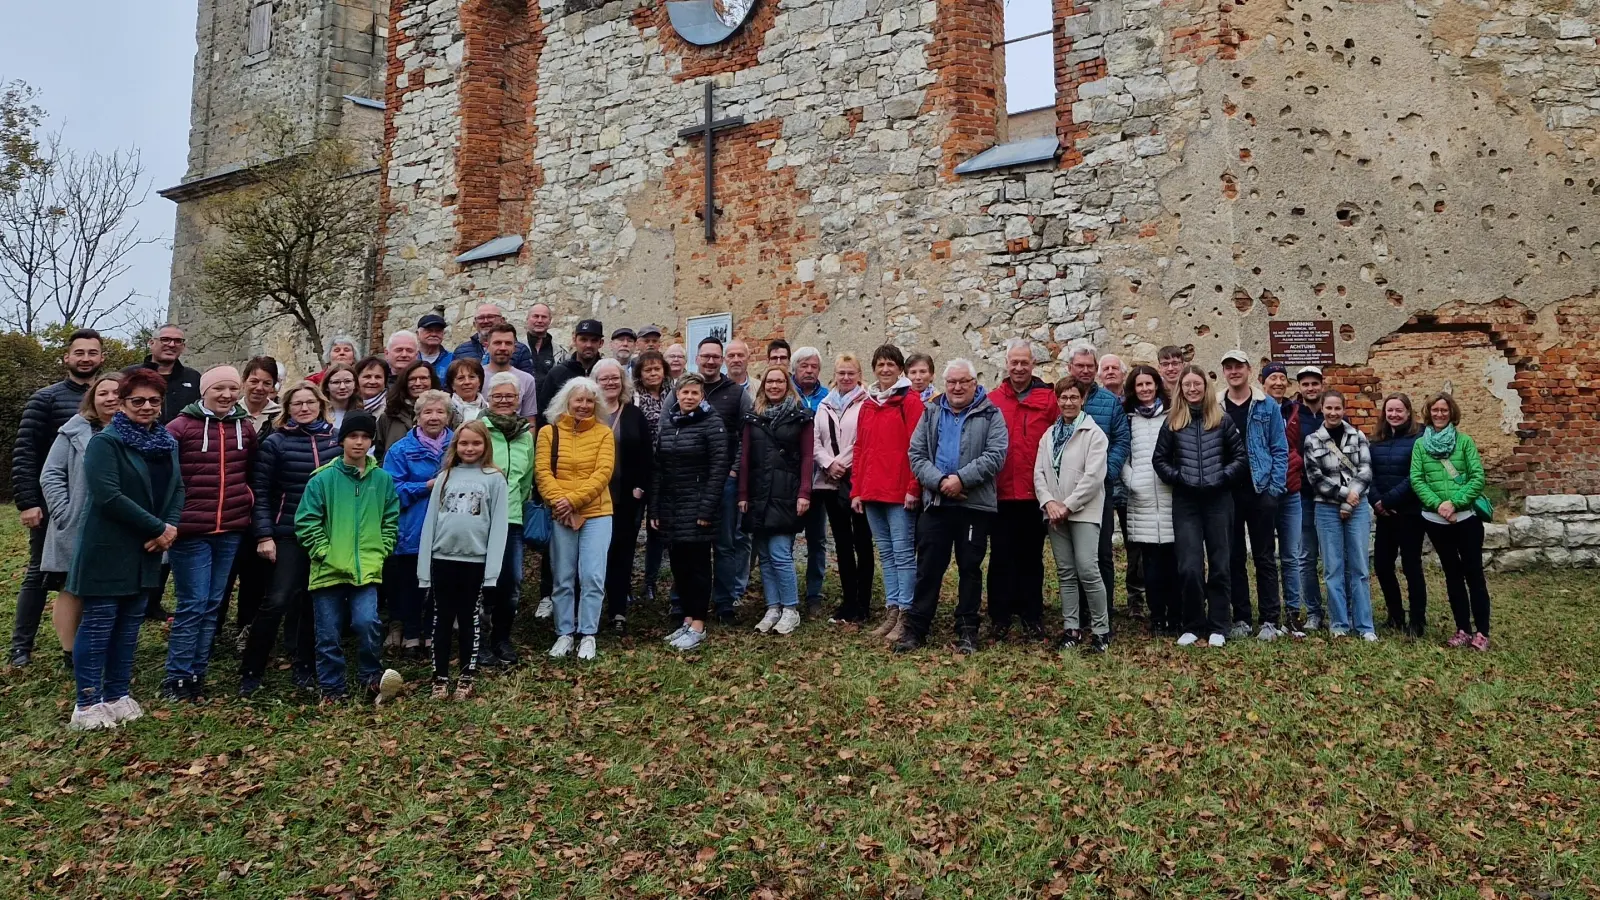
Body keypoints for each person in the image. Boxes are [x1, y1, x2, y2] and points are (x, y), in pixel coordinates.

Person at [63, 369, 182, 730]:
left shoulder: (166, 443)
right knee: (99, 623)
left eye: (153, 401)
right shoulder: (106, 442)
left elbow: (177, 488)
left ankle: (115, 694)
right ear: (123, 404)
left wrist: (169, 528)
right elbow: (108, 496)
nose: (146, 407)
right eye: (138, 401)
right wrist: (158, 528)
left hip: (146, 548)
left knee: (129, 625)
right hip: (109, 545)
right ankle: (87, 702)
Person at [896, 359, 1009, 654]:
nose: (957, 388)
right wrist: (941, 482)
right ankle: (916, 629)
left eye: (964, 382)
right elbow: (916, 454)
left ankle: (967, 630)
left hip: (974, 506)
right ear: (945, 384)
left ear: (975, 383)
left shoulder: (991, 413)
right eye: (952, 382)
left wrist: (961, 480)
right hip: (936, 503)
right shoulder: (931, 411)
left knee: (970, 568)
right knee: (928, 567)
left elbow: (996, 455)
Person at [163, 366, 258, 701]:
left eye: (233, 389)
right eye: (219, 388)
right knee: (192, 603)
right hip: (191, 529)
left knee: (214, 603)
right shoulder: (180, 427)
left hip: (230, 527)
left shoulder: (244, 428)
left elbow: (249, 471)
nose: (227, 395)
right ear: (204, 391)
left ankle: (196, 672)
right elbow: (165, 478)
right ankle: (176, 676)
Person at [10, 328, 104, 667]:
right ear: (67, 357)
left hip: (93, 509)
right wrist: (28, 501)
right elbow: (25, 453)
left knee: (84, 577)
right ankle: (21, 645)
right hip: (51, 507)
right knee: (38, 574)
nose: (85, 358)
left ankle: (78, 645)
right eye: (79, 352)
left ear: (101, 358)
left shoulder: (109, 400)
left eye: (92, 353)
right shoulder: (46, 398)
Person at [295, 410, 403, 704]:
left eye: (365, 437)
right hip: (328, 569)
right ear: (342, 440)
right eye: (353, 436)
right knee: (328, 632)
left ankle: (371, 677)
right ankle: (331, 687)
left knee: (368, 622)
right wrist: (322, 551)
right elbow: (306, 520)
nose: (359, 442)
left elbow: (390, 519)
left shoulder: (382, 480)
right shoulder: (322, 479)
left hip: (366, 568)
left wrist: (382, 548)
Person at [239, 381, 340, 697]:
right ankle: (252, 669)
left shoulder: (335, 442)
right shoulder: (276, 443)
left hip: (325, 535)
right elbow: (261, 493)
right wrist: (264, 534)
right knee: (278, 599)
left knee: (312, 601)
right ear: (288, 408)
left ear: (320, 405)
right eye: (298, 404)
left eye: (310, 402)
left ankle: (305, 667)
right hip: (287, 532)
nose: (305, 408)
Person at [1153, 364, 1246, 648]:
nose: (1192, 389)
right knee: (1190, 566)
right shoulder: (1172, 421)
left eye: (1197, 384)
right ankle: (1193, 623)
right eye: (1187, 385)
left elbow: (1240, 458)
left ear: (1205, 388)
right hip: (1187, 502)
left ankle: (1219, 624)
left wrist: (1222, 477)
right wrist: (1179, 478)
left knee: (1220, 564)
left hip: (1219, 501)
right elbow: (1160, 460)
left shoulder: (1222, 419)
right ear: (1180, 389)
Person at [417, 420, 509, 700]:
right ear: (456, 446)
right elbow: (430, 523)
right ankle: (440, 678)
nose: (470, 448)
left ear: (486, 446)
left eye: (476, 443)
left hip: (475, 562)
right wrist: (424, 572)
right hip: (442, 559)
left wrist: (492, 574)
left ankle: (467, 677)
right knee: (441, 620)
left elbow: (499, 528)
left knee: (469, 619)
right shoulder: (445, 477)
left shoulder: (494, 478)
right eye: (464, 443)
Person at [40, 372, 122, 671]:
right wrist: (64, 511)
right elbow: (50, 474)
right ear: (92, 398)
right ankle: (70, 651)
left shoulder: (140, 432)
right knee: (71, 588)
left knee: (109, 589)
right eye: (103, 393)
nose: (111, 398)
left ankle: (104, 647)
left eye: (117, 392)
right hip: (76, 523)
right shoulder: (73, 431)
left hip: (119, 527)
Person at [535, 377, 616, 660]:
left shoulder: (604, 433)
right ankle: (564, 633)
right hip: (560, 513)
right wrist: (560, 502)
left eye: (589, 401)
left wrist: (572, 501)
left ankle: (588, 633)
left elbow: (603, 473)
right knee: (563, 575)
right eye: (578, 400)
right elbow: (543, 472)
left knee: (592, 575)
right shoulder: (548, 433)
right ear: (566, 401)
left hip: (596, 513)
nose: (583, 405)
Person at [679, 337, 754, 623]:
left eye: (715, 357)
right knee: (688, 544)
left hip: (724, 481)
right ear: (696, 358)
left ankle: (724, 603)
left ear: (721, 360)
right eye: (705, 356)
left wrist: (734, 470)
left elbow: (747, 434)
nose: (710, 361)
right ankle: (683, 601)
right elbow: (667, 427)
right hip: (688, 482)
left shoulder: (735, 393)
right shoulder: (684, 389)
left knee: (725, 544)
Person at [653, 374, 729, 651]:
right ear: (677, 394)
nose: (688, 397)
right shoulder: (670, 423)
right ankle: (686, 618)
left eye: (694, 393)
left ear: (702, 396)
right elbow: (659, 468)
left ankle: (698, 623)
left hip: (698, 507)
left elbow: (719, 467)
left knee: (698, 567)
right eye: (684, 392)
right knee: (680, 567)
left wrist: (707, 507)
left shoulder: (711, 423)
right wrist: (656, 505)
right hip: (672, 508)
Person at [987, 339, 1056, 641]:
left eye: (1024, 362)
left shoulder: (1048, 399)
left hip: (1034, 493)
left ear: (1033, 365)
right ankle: (999, 617)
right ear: (1006, 363)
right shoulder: (992, 400)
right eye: (1013, 362)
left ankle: (1032, 615)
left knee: (1031, 557)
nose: (1018, 367)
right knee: (1000, 556)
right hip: (1000, 492)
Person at [1034, 379, 1110, 652]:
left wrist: (1068, 505)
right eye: (1063, 397)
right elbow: (1039, 473)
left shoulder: (1094, 434)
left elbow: (1093, 477)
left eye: (1073, 397)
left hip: (1083, 513)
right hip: (1054, 514)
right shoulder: (1049, 435)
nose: (1068, 402)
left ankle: (1102, 630)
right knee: (1065, 572)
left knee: (1088, 569)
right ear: (1057, 400)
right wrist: (1049, 503)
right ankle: (1071, 628)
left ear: (1082, 399)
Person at [1217, 351, 1289, 640]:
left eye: (1239, 367)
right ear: (1224, 373)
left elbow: (1279, 448)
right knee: (1233, 556)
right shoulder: (1217, 405)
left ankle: (1270, 619)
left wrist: (1274, 489)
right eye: (1229, 368)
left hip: (1260, 490)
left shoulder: (1266, 405)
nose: (1234, 372)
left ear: (1248, 370)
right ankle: (1242, 619)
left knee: (1264, 557)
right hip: (1228, 492)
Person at [1411, 393, 1492, 650]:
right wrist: (1439, 505)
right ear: (1428, 413)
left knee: (1474, 574)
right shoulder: (1420, 446)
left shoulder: (1464, 442)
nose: (1439, 414)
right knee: (1452, 575)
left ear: (1451, 412)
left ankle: (1482, 631)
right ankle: (1462, 629)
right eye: (1435, 410)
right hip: (1436, 521)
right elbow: (1417, 479)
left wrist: (1454, 503)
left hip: (1466, 518)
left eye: (1444, 410)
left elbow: (1477, 478)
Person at [739, 366, 815, 635]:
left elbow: (808, 457)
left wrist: (805, 492)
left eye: (779, 381)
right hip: (759, 493)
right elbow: (746, 458)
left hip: (786, 492)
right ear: (763, 386)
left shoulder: (800, 416)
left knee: (781, 553)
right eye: (769, 381)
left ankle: (791, 609)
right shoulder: (753, 417)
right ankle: (773, 607)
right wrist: (743, 495)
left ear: (787, 384)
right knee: (766, 557)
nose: (773, 386)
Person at [854, 347, 921, 641]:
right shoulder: (867, 405)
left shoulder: (910, 401)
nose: (885, 369)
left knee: (904, 554)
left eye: (890, 364)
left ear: (900, 369)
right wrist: (856, 490)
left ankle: (907, 612)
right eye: (880, 364)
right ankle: (892, 608)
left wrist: (913, 488)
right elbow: (860, 449)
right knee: (887, 554)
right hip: (871, 492)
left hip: (899, 492)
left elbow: (919, 448)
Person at [382, 389, 453, 655]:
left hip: (448, 528)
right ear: (417, 417)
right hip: (412, 528)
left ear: (448, 416)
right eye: (427, 412)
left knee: (440, 583)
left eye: (440, 412)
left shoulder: (459, 444)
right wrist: (427, 486)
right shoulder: (401, 450)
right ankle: (411, 633)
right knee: (412, 584)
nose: (434, 417)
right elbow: (392, 491)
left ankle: (432, 632)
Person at [1303, 390, 1376, 641]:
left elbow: (1366, 470)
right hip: (1325, 508)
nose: (1333, 413)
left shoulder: (1358, 436)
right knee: (1333, 568)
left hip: (1356, 508)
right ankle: (1339, 623)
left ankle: (1365, 625)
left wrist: (1350, 500)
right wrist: (1344, 494)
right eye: (1329, 408)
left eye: (1338, 408)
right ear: (1322, 409)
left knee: (1359, 567)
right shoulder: (1312, 440)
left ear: (1344, 410)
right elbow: (1315, 478)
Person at [1068, 346, 1130, 622]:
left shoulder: (1109, 401)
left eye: (1089, 366)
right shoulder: (1060, 398)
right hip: (1068, 489)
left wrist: (1108, 472)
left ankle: (1102, 612)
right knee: (1073, 553)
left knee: (1102, 552)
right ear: (1070, 368)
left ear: (1095, 369)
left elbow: (1121, 441)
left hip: (1100, 490)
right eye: (1079, 365)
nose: (1084, 370)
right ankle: (1076, 612)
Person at [480, 372, 536, 666]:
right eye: (498, 396)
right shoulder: (478, 429)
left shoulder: (526, 435)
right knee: (482, 581)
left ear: (518, 400)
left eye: (510, 396)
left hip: (512, 518)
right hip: (480, 519)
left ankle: (502, 637)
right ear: (489, 398)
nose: (503, 401)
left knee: (511, 581)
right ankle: (478, 640)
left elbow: (526, 479)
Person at [813, 354, 873, 624]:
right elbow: (815, 441)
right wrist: (828, 464)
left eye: (851, 373)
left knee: (862, 541)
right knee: (842, 543)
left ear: (858, 375)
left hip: (857, 480)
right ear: (834, 375)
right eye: (841, 373)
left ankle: (864, 603)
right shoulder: (824, 405)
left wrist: (842, 463)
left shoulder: (867, 403)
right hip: (830, 482)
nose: (846, 378)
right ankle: (848, 601)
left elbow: (864, 438)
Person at [1120, 365, 1178, 636]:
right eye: (1139, 385)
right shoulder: (1127, 418)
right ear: (1133, 389)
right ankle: (1157, 618)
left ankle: (1175, 616)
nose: (1144, 389)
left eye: (1149, 384)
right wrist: (1132, 480)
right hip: (1141, 498)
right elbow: (1121, 453)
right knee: (1150, 565)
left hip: (1169, 495)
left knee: (1173, 562)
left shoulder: (1171, 415)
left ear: (1157, 386)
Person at [594, 359, 650, 633]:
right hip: (592, 498)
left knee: (622, 553)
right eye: (604, 379)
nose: (610, 383)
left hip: (626, 497)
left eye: (615, 378)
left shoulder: (633, 414)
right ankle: (591, 609)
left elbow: (645, 454)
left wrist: (641, 485)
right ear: (595, 381)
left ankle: (618, 611)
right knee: (595, 555)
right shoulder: (587, 412)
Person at [1370, 392, 1426, 637]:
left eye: (1398, 410)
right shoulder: (1377, 440)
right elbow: (1367, 472)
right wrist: (1376, 501)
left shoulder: (1419, 438)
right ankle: (1395, 614)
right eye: (1389, 410)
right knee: (1382, 565)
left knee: (1411, 566)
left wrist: (1389, 499)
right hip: (1384, 514)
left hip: (1409, 513)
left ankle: (1417, 620)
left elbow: (1416, 475)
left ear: (1408, 412)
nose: (1393, 414)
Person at [1260, 362, 1306, 633]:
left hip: (1291, 492)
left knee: (1291, 555)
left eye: (1281, 378)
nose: (1277, 382)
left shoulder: (1294, 411)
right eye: (1272, 378)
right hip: (1264, 494)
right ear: (1263, 382)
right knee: (1266, 556)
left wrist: (1296, 462)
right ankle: (1271, 612)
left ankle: (1293, 611)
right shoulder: (1259, 409)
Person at [1097, 352, 1143, 619]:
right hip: (1102, 482)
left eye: (1116, 367)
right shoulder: (1093, 402)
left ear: (1123, 374)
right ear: (1099, 374)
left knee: (1135, 544)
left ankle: (1136, 598)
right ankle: (1104, 599)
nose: (1111, 371)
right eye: (1106, 368)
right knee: (1101, 546)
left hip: (1130, 482)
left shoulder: (1134, 404)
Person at [789, 345, 830, 610]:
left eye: (814, 366)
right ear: (794, 369)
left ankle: (814, 592)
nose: (809, 370)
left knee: (817, 539)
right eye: (804, 366)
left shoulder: (828, 397)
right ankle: (787, 589)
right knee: (786, 538)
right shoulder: (785, 393)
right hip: (790, 479)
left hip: (819, 479)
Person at [1291, 366, 1328, 629]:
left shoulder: (1333, 413)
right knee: (1306, 556)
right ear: (1300, 387)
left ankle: (1341, 609)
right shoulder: (1295, 416)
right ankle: (1314, 611)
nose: (1311, 388)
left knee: (1334, 556)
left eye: (1315, 383)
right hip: (1303, 494)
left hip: (1331, 498)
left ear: (1321, 385)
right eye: (1306, 384)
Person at [632, 349, 670, 600]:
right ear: (640, 374)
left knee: (658, 528)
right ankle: (624, 582)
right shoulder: (633, 397)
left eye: (657, 368)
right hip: (640, 469)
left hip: (667, 471)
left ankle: (650, 582)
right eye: (648, 369)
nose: (653, 373)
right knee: (632, 526)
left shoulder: (675, 394)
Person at [124, 324, 201, 423]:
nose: (172, 344)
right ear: (151, 343)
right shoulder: (129, 375)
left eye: (178, 341)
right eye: (165, 339)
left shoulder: (193, 377)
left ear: (183, 346)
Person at [377, 360, 442, 462]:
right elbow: (378, 454)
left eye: (423, 378)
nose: (418, 383)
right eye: (412, 379)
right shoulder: (389, 416)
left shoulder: (445, 413)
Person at [538, 318, 604, 418]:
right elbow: (544, 411)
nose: (588, 345)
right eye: (583, 339)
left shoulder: (607, 374)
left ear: (601, 343)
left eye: (594, 340)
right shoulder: (558, 373)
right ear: (574, 340)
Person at [454, 303, 535, 377]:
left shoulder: (520, 350)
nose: (485, 321)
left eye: (490, 317)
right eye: (481, 318)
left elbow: (526, 381)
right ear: (474, 324)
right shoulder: (461, 351)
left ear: (502, 320)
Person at [484, 323, 540, 422]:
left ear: (514, 348)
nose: (503, 348)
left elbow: (529, 421)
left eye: (508, 343)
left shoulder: (527, 380)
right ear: (487, 346)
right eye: (497, 343)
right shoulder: (476, 377)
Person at [240, 357, 282, 436]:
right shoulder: (231, 414)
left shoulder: (280, 417)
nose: (259, 388)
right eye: (254, 381)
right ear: (243, 381)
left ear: (273, 386)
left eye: (266, 383)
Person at [446, 356, 489, 423]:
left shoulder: (490, 409)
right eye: (461, 378)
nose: (467, 382)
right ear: (452, 385)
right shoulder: (445, 410)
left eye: (472, 377)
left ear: (480, 382)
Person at [417, 313, 454, 383]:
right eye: (429, 331)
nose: (434, 334)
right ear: (417, 334)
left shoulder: (452, 359)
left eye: (438, 331)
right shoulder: (411, 358)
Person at [322, 363, 359, 430]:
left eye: (347, 381)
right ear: (326, 386)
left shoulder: (363, 411)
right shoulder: (318, 414)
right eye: (336, 382)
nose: (342, 387)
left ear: (355, 384)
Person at [524, 303, 558, 378]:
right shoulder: (516, 348)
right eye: (536, 316)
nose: (540, 320)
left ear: (550, 320)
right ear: (527, 319)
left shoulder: (560, 353)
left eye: (544, 317)